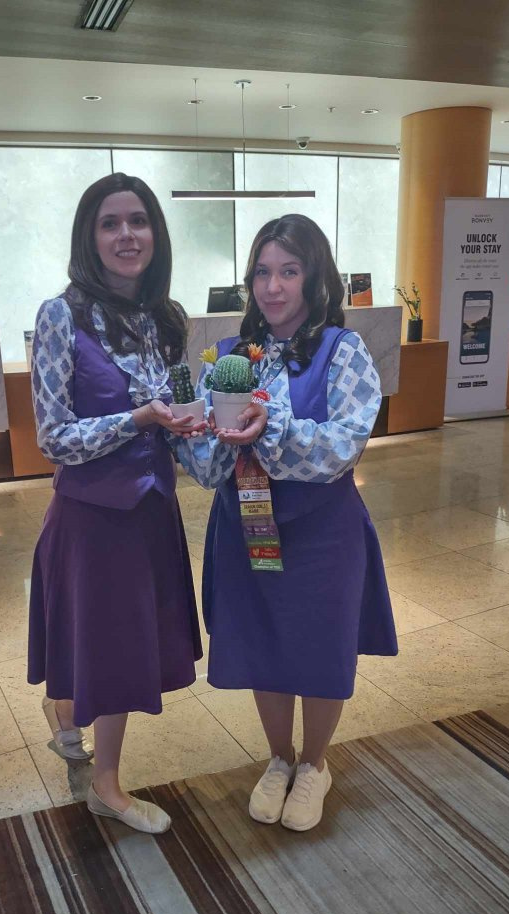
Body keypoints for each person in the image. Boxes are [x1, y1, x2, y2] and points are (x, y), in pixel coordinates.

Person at [175, 214, 398, 832]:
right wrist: (193, 433)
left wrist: (269, 426)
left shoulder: (342, 350)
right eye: (262, 272)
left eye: (289, 271)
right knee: (263, 642)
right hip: (245, 528)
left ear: (314, 277)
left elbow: (345, 444)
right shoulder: (227, 356)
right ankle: (278, 759)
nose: (272, 287)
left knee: (320, 645)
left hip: (321, 529)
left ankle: (315, 764)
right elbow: (205, 463)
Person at [28, 172, 204, 835]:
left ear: (155, 233)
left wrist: (205, 426)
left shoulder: (166, 319)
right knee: (110, 649)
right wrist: (138, 420)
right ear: (90, 236)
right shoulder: (61, 316)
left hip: (153, 510)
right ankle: (106, 787)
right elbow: (54, 437)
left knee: (111, 640)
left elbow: (177, 407)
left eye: (138, 221)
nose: (127, 235)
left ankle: (65, 720)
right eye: (110, 223)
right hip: (93, 518)